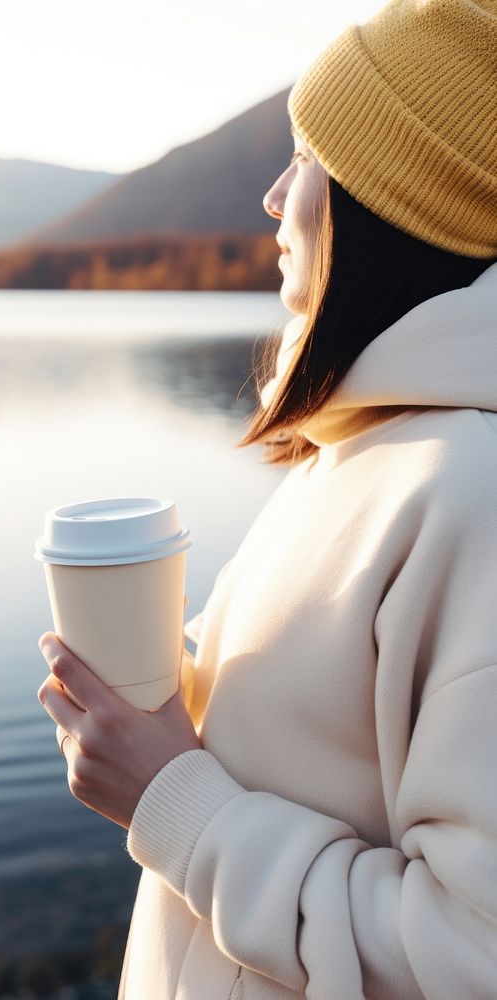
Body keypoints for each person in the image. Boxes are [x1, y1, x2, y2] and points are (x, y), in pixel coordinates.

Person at [36, 0, 497, 995]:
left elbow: (473, 955)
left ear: (389, 197)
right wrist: (165, 707)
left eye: (307, 158)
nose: (273, 195)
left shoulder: (473, 492)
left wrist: (175, 801)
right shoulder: (365, 449)